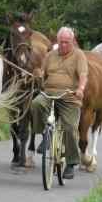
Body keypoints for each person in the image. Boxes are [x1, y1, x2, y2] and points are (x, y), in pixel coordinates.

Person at [31, 27, 88, 179]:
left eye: (66, 42)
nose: (63, 45)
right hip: (49, 93)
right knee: (36, 104)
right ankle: (44, 135)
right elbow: (43, 73)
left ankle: (71, 163)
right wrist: (38, 75)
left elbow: (83, 75)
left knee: (69, 127)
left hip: (69, 96)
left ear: (72, 42)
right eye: (60, 42)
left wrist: (81, 89)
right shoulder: (50, 55)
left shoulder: (79, 55)